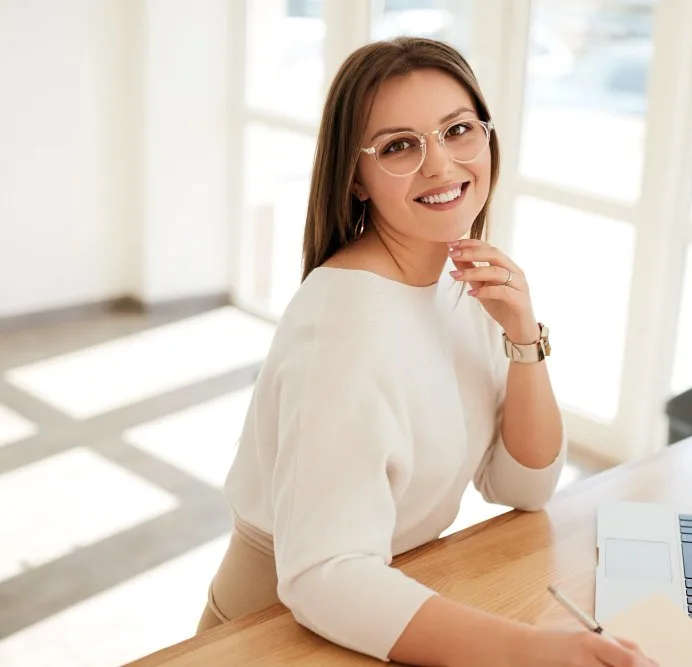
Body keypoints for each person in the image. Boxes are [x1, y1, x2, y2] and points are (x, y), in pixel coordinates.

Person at [197, 36, 656, 667]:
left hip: (382, 599)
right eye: (398, 146)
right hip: (273, 634)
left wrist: (525, 336)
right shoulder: (345, 325)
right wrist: (534, 653)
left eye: (458, 130)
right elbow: (323, 575)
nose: (440, 165)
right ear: (355, 178)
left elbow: (523, 485)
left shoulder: (459, 277)